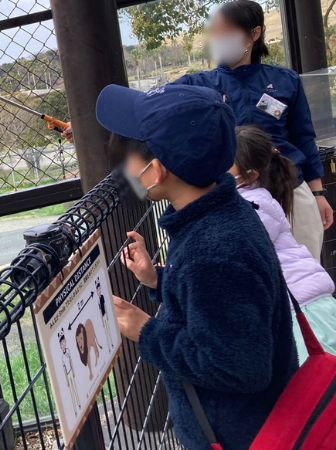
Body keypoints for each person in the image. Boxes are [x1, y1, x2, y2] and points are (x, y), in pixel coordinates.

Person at [99, 83, 297, 449]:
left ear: (156, 171)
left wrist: (146, 331)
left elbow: (238, 367)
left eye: (128, 157)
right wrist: (159, 280)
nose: (125, 167)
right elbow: (219, 305)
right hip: (257, 416)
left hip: (240, 432)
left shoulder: (212, 251)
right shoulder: (221, 213)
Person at [173, 0, 333, 260]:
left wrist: (318, 193)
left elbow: (304, 138)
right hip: (233, 195)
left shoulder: (285, 80)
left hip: (290, 188)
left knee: (303, 268)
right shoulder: (200, 85)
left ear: (254, 34)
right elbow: (158, 108)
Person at [232, 125, 336, 359]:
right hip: (308, 305)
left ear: (250, 174)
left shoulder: (253, 206)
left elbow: (236, 251)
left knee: (316, 383)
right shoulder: (256, 198)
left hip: (303, 311)